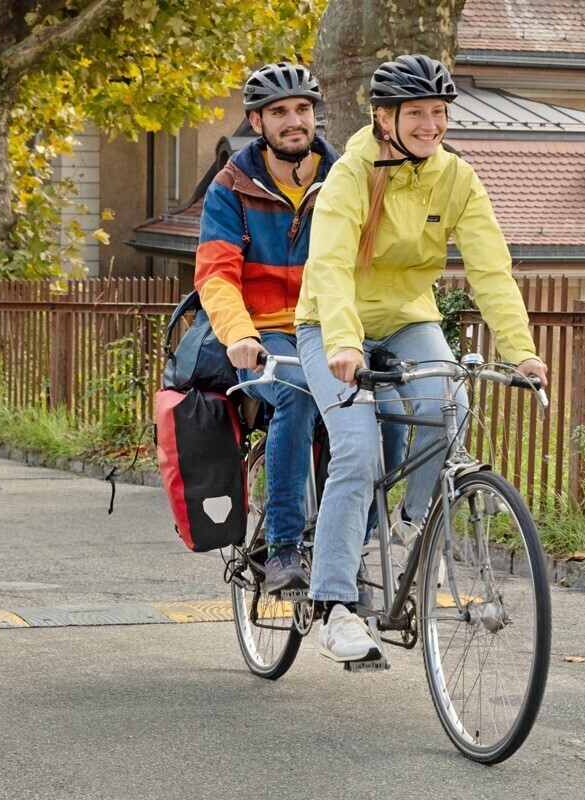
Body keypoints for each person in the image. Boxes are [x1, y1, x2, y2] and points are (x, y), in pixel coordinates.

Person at [294, 54, 549, 663]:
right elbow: (328, 266)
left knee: (450, 403)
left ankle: (413, 530)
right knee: (358, 448)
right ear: (385, 118)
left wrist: (521, 352)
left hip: (410, 318)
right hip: (331, 327)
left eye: (439, 112)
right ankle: (333, 607)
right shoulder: (349, 177)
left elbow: (490, 268)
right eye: (417, 113)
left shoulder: (456, 177)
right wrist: (344, 345)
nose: (431, 124)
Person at [195, 61, 337, 593]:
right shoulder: (230, 187)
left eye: (302, 109)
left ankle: (348, 547)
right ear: (257, 123)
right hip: (265, 333)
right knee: (296, 394)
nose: (294, 120)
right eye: (279, 112)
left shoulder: (342, 179)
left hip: (329, 325)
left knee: (383, 409)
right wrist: (240, 336)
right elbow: (216, 276)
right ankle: (282, 549)